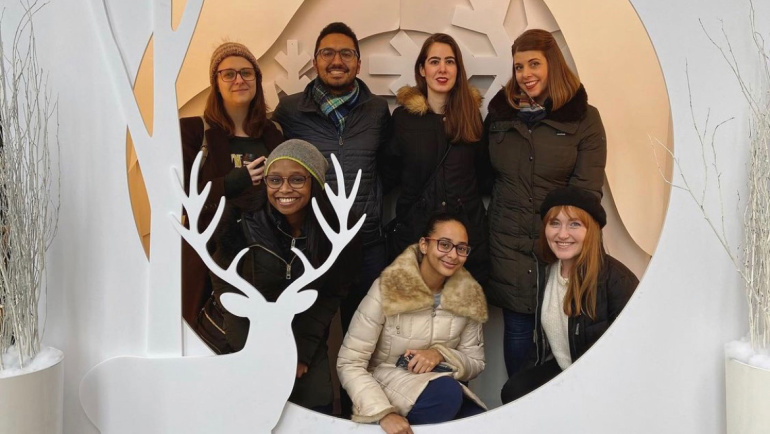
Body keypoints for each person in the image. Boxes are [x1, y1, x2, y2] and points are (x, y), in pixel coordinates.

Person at [197, 139, 359, 413]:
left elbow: (329, 296)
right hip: (236, 332)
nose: (284, 189)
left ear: (315, 184)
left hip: (299, 332)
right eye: (275, 180)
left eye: (297, 179)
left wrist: (301, 353)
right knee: (238, 409)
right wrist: (247, 355)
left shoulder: (337, 232)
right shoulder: (240, 220)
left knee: (313, 405)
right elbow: (227, 291)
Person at [483, 29, 607, 376]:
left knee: (567, 330)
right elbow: (484, 176)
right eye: (519, 66)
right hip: (508, 242)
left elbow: (586, 191)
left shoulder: (584, 118)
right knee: (519, 331)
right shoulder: (500, 116)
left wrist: (558, 234)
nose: (525, 74)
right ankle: (518, 413)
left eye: (534, 64)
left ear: (552, 64)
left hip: (561, 244)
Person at [272, 22, 391, 336]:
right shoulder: (289, 110)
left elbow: (387, 169)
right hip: (310, 243)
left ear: (358, 63)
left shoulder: (378, 110)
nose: (337, 61)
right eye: (327, 53)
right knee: (304, 338)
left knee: (365, 342)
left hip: (366, 243)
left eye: (346, 54)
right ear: (315, 62)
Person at [337, 213, 488, 434]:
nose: (453, 255)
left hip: (438, 385)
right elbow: (349, 363)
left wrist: (440, 354)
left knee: (477, 420)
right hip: (384, 383)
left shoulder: (469, 296)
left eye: (461, 248)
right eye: (444, 245)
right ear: (424, 245)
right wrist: (384, 413)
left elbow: (475, 362)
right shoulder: (386, 288)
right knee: (447, 394)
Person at [500, 186, 637, 403]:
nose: (562, 234)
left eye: (574, 224)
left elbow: (631, 355)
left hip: (602, 383)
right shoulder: (546, 271)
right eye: (555, 223)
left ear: (591, 230)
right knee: (515, 391)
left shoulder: (618, 279)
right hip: (566, 369)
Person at [180, 42, 283, 327]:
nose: (239, 80)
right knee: (210, 340)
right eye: (228, 74)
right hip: (210, 261)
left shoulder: (274, 133)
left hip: (265, 257)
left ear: (257, 80)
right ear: (216, 82)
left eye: (246, 73)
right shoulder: (193, 132)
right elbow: (180, 198)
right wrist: (234, 181)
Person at [382, 33, 489, 284]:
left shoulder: (472, 117)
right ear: (422, 68)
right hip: (417, 240)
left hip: (464, 244)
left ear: (458, 69)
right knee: (413, 320)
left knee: (461, 321)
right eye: (434, 61)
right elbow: (389, 173)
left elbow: (484, 176)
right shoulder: (403, 120)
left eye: (450, 61)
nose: (442, 69)